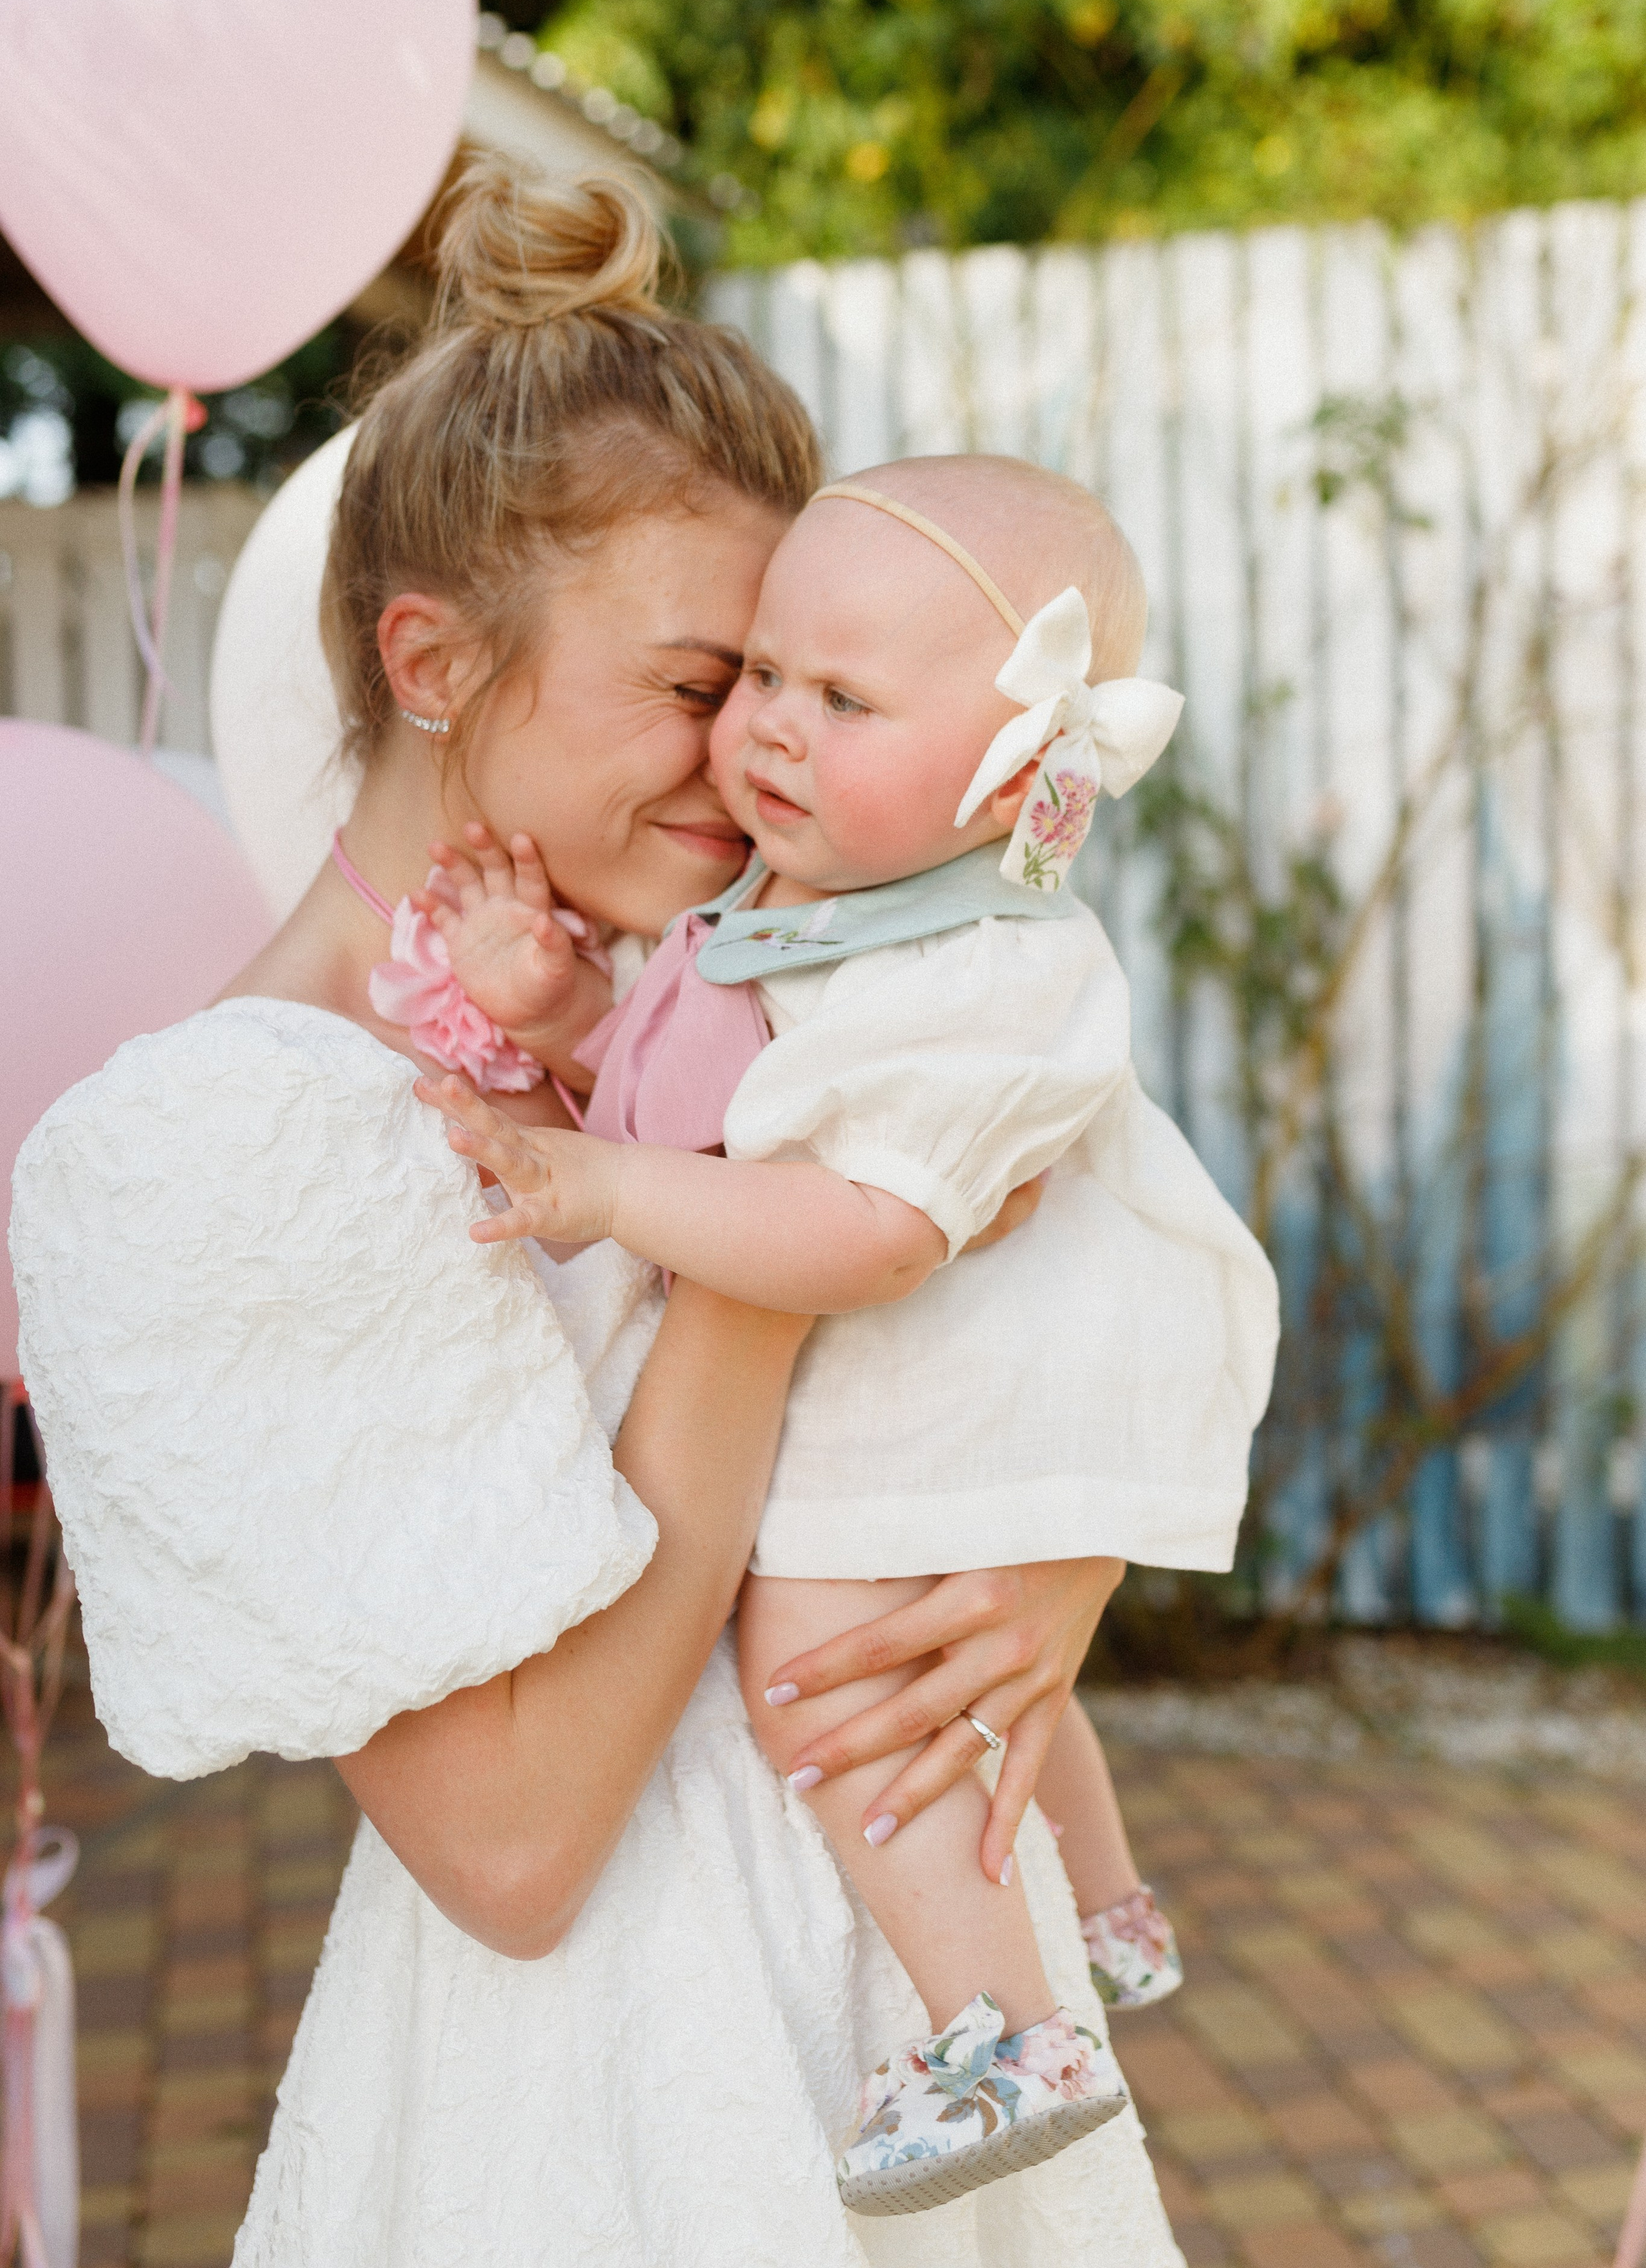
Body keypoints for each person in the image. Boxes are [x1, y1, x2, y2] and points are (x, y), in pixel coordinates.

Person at [9, 158, 1186, 2266]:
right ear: (435, 659)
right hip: (608, 2095)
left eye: (797, 690)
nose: (754, 761)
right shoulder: (211, 1146)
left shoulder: (752, 983)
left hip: (929, 1980)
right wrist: (765, 1247)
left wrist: (1056, 1568)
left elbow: (1108, 1257)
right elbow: (516, 1845)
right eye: (700, 684)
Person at [420, 453, 1278, 2213]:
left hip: (942, 1386)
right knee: (973, 1661)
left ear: (1017, 771)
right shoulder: (811, 908)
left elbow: (862, 1229)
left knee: (831, 1673)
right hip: (916, 1397)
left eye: (845, 698)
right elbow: (707, 1093)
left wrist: (599, 1187)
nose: (771, 729)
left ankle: (1004, 2027)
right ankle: (1106, 1903)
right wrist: (568, 1015)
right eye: (760, 674)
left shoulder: (982, 973)